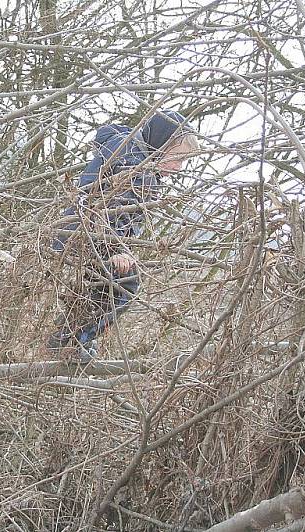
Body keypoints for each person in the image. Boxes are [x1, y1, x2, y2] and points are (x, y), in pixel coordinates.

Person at [49, 109, 201, 362]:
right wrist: (115, 249)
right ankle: (70, 339)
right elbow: (106, 209)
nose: (178, 167)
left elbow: (121, 215)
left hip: (79, 234)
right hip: (89, 237)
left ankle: (70, 337)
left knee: (99, 289)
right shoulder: (133, 163)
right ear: (160, 144)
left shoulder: (130, 153)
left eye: (183, 161)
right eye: (177, 158)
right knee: (124, 288)